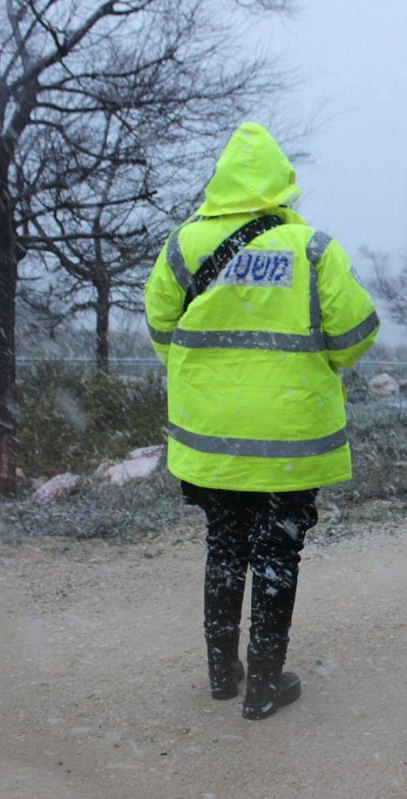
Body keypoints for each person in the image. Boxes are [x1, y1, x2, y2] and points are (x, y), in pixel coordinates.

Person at [144, 122, 379, 720]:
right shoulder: (313, 249)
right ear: (282, 185)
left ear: (220, 181)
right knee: (277, 553)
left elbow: (160, 332)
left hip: (212, 440)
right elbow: (356, 336)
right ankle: (265, 687)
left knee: (224, 547)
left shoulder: (182, 246)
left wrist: (210, 370)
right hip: (289, 441)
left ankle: (223, 674)